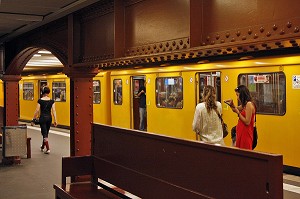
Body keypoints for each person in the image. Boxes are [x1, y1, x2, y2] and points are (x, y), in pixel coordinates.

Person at [225, 85, 256, 150]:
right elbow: (235, 109)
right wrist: (231, 105)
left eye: (238, 95)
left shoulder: (249, 104)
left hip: (246, 134)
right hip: (241, 132)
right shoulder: (245, 105)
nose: (237, 98)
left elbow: (247, 122)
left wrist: (238, 113)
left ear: (242, 95)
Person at [31, 86, 57, 154]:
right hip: (49, 118)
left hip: (42, 118)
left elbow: (37, 110)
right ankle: (42, 146)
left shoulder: (40, 100)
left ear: (42, 92)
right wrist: (55, 120)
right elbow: (54, 111)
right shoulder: (52, 101)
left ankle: (48, 149)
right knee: (46, 132)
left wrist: (33, 119)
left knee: (44, 133)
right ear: (49, 92)